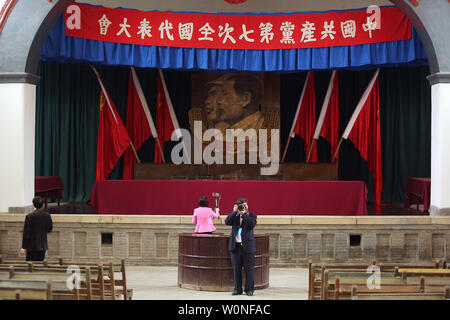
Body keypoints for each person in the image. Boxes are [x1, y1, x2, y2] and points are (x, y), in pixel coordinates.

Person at [225, 198, 257, 296]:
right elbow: (227, 222)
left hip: (248, 247)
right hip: (236, 247)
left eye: (245, 205)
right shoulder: (234, 216)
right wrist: (234, 212)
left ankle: (249, 290)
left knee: (249, 269)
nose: (244, 207)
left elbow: (252, 224)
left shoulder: (251, 215)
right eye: (241, 205)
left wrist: (244, 214)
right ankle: (237, 289)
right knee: (236, 269)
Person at [20, 196, 53, 261]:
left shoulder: (29, 216)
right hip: (43, 246)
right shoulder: (47, 215)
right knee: (39, 266)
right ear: (42, 204)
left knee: (31, 266)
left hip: (32, 246)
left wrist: (23, 247)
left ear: (33, 204)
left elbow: (26, 233)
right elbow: (49, 229)